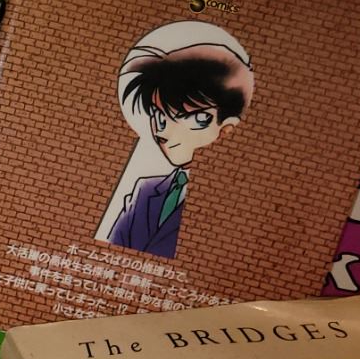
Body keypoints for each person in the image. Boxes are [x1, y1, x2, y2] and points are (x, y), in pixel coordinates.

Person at [106, 38, 254, 259]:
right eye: (159, 116)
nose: (163, 131)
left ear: (227, 129)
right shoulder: (145, 190)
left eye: (193, 117)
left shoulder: (232, 207)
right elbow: (111, 247)